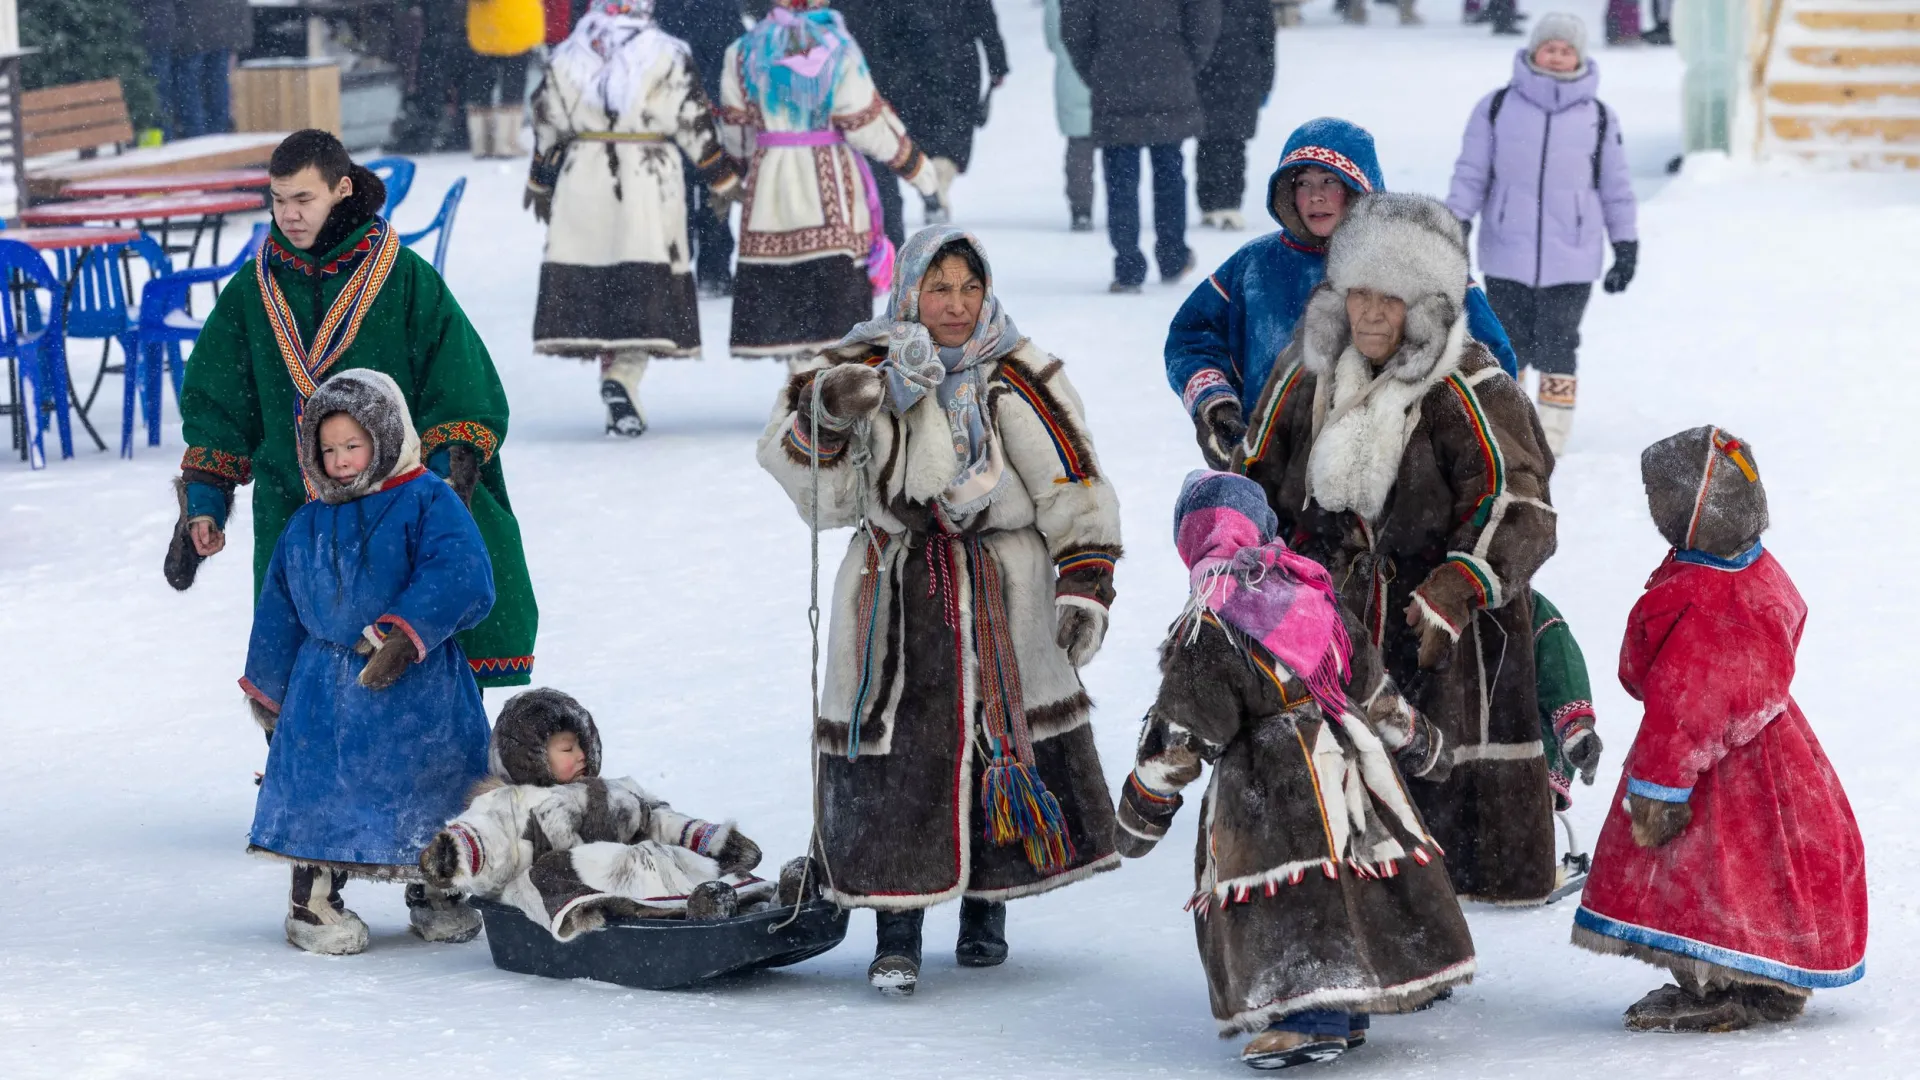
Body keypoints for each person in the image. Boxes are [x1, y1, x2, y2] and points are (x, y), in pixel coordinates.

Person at [756, 227, 1123, 996]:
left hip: (1002, 586)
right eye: (939, 287)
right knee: (900, 755)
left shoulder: (1021, 374)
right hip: (895, 590)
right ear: (909, 291)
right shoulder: (860, 369)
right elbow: (816, 495)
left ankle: (987, 910)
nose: (955, 305)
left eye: (969, 287)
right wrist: (827, 416)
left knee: (999, 739)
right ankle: (898, 926)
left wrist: (1085, 581)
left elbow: (1074, 484)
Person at [1241, 193, 1563, 906]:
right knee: (1334, 794)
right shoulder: (1307, 374)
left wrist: (1456, 584)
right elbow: (1253, 481)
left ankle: (1425, 933)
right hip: (1327, 622)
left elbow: (1520, 504)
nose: (1371, 315)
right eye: (1359, 295)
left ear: (1425, 304)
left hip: (1438, 641)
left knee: (1427, 798)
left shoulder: (1471, 387)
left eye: (1391, 299)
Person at [1119, 470, 1474, 1070]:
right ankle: (1349, 1006)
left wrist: (1140, 811)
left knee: (1300, 888)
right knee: (1349, 871)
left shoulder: (1213, 618)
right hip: (1348, 759)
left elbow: (1184, 733)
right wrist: (1421, 745)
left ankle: (1311, 1015)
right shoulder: (1311, 592)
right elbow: (1373, 691)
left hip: (1272, 780)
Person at [168, 129, 539, 690]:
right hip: (296, 514)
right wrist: (203, 503)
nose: (288, 215)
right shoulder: (253, 290)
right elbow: (218, 401)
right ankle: (299, 772)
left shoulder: (403, 277)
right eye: (277, 199)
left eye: (303, 199)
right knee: (296, 668)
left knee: (404, 655)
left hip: (397, 510)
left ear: (341, 190)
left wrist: (439, 494)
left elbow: (461, 387)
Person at [1573, 427, 1867, 1031]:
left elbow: (1688, 713)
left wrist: (1659, 792)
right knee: (1769, 870)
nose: (1651, 503)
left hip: (1714, 769)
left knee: (1710, 875)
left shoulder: (1708, 599)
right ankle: (1769, 978)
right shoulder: (1750, 569)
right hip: (1773, 748)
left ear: (1694, 507)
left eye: (1660, 493)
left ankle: (1724, 982)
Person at [241, 370, 495, 956]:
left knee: (435, 783)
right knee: (323, 798)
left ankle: (440, 888)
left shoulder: (427, 498)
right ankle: (314, 901)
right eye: (327, 450)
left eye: (353, 445)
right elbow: (279, 607)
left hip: (420, 683)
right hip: (322, 689)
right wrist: (268, 689)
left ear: (385, 437)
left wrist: (404, 633)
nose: (340, 460)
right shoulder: (305, 522)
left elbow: (462, 573)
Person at [1165, 118, 1519, 472]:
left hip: (1387, 475)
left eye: (1329, 181)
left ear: (1358, 186)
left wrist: (1457, 443)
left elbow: (1491, 356)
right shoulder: (1255, 264)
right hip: (1269, 464)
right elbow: (1191, 336)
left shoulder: (1418, 260)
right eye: (1303, 182)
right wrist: (1216, 404)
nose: (1315, 195)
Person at [525, 0, 743, 437]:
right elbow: (693, 120)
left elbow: (546, 122)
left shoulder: (569, 52)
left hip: (583, 176)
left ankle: (616, 385)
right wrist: (721, 177)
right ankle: (623, 376)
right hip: (648, 178)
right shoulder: (666, 52)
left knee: (601, 288)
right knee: (644, 289)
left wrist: (540, 181)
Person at [421, 689, 781, 939]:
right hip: (568, 886)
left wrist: (713, 841)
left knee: (664, 854)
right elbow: (486, 832)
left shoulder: (614, 791)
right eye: (567, 748)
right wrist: (452, 853)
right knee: (558, 869)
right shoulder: (511, 802)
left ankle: (750, 899)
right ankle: (683, 917)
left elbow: (658, 819)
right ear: (530, 755)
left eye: (581, 745)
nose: (580, 755)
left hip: (635, 872)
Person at [1446, 13, 1637, 456]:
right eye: (1549, 47)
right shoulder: (1496, 108)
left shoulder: (1599, 119)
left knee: (1559, 341)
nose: (1556, 54)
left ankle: (1551, 433)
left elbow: (1616, 188)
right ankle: (1510, 425)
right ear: (1534, 51)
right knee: (1506, 342)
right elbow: (1471, 172)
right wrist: (1456, 220)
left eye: (1566, 49)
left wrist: (1625, 245)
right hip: (1506, 251)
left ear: (1578, 57)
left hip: (1573, 254)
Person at [717, 0, 938, 364]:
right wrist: (915, 167)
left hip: (771, 183)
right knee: (831, 289)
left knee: (786, 284)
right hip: (829, 184)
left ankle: (799, 371)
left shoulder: (743, 52)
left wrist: (740, 173)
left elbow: (736, 129)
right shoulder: (836, 47)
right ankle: (821, 378)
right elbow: (864, 123)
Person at [1061, 0, 1220, 294]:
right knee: (1170, 173)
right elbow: (1204, 19)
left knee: (1121, 180)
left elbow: (1074, 27)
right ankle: (1173, 257)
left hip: (1114, 80)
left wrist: (1097, 68)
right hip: (1169, 75)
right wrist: (1186, 60)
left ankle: (1128, 267)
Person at [655, 0, 751, 297]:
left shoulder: (664, 8)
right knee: (714, 190)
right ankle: (714, 270)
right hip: (712, 111)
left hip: (673, 111)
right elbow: (733, 53)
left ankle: (677, 267)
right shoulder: (720, 8)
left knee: (676, 193)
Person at [1194, 0, 1276, 232]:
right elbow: (1267, 42)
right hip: (1226, 77)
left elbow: (1266, 40)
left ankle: (1224, 203)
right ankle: (1216, 203)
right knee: (1217, 142)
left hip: (1234, 78)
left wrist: (1266, 82)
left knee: (1226, 143)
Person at [140, 0, 251, 139]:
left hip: (191, 27)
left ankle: (196, 137)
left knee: (186, 87)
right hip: (217, 25)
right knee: (214, 84)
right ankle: (214, 137)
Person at [1042, 0, 1097, 232]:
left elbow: (1054, 41)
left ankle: (1081, 209)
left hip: (1071, 75)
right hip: (1110, 74)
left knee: (1079, 148)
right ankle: (1122, 209)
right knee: (1119, 151)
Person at [467, 0, 545, 157]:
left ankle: (481, 144)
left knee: (481, 86)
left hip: (484, 28)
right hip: (516, 25)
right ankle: (506, 143)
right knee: (513, 86)